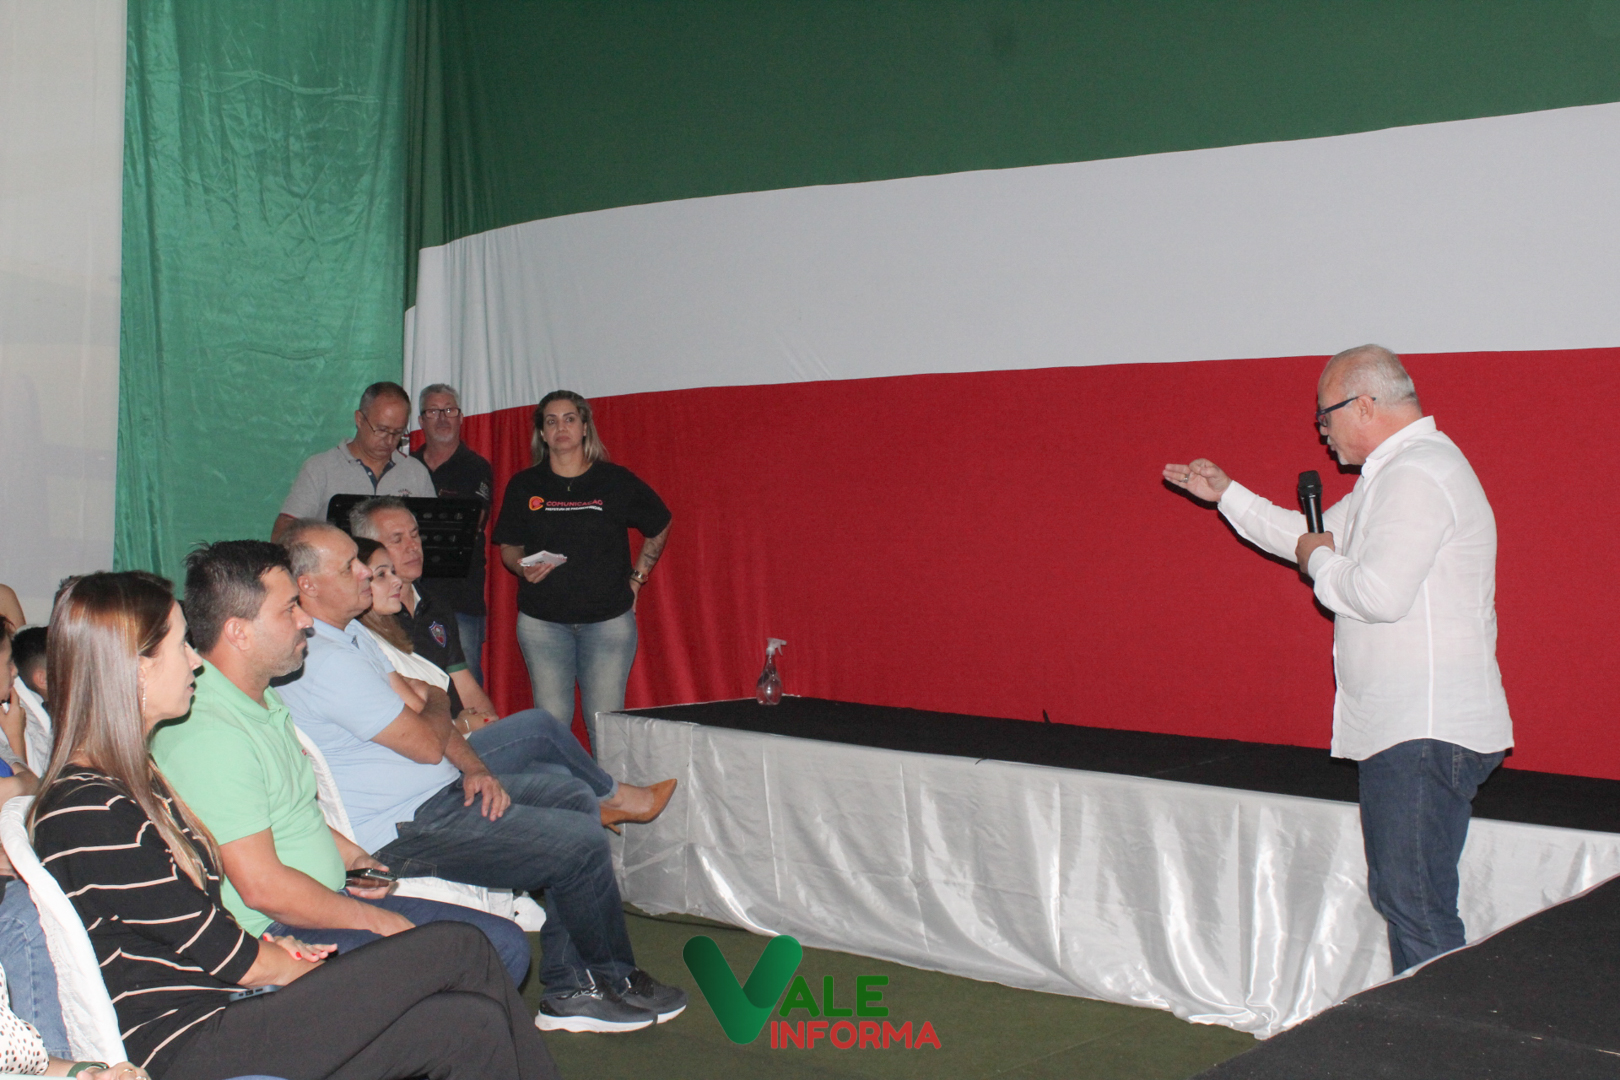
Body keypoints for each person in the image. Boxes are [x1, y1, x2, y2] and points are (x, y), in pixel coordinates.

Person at [30, 571, 558, 1080]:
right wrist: (317, 970)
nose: (194, 660)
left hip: (224, 1004)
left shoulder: (128, 782)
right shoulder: (89, 810)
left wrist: (289, 956)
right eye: (180, 645)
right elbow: (227, 957)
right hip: (190, 1038)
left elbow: (188, 927)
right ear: (136, 669)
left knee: (468, 1025)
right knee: (460, 948)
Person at [1163, 344, 1512, 973]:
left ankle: (1442, 1029)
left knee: (1415, 904)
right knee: (1411, 900)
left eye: (1325, 416)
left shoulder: (1416, 475)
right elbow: (1309, 536)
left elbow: (1375, 594)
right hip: (1416, 728)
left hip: (1422, 728)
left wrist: (1321, 560)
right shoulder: (1399, 473)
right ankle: (1436, 1021)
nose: (1322, 432)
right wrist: (1228, 496)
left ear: (1366, 405)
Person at [272, 521, 686, 1031]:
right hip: (400, 829)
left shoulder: (350, 633)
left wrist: (474, 766)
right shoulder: (322, 660)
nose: (364, 571)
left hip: (439, 793)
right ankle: (610, 978)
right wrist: (434, 703)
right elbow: (428, 733)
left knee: (576, 797)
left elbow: (429, 710)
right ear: (308, 585)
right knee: (577, 840)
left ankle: (572, 986)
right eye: (350, 567)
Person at [149, 541, 532, 985]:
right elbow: (263, 890)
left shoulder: (261, 698)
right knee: (475, 955)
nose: (306, 621)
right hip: (276, 931)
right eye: (289, 608)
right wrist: (377, 921)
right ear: (239, 632)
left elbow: (289, 813)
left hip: (322, 899)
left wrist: (353, 858)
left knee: (500, 944)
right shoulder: (211, 733)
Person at [353, 534, 675, 830]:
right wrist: (461, 724)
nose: (396, 580)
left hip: (455, 740)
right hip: (432, 762)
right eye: (381, 574)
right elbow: (415, 725)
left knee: (563, 779)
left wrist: (481, 721)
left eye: (392, 571)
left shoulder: (408, 622)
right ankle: (617, 797)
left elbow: (447, 692)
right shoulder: (362, 647)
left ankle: (590, 822)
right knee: (539, 725)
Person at [492, 391, 671, 755]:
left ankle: (610, 794)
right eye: (552, 421)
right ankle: (561, 792)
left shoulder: (614, 480)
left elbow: (660, 523)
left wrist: (638, 579)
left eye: (570, 419)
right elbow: (508, 546)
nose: (561, 427)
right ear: (543, 433)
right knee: (552, 723)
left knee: (604, 725)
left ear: (585, 427)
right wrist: (522, 567)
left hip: (608, 624)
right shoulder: (524, 485)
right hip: (543, 624)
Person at [272, 382, 434, 543]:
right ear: (359, 419)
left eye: (398, 432)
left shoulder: (416, 472)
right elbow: (282, 533)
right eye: (382, 430)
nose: (389, 440)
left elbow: (433, 532)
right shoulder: (320, 468)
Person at [412, 384, 495, 685]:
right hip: (410, 595)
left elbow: (470, 525)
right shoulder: (405, 467)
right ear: (421, 421)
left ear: (461, 417)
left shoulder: (476, 467)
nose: (443, 418)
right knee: (415, 679)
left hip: (462, 597)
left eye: (449, 410)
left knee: (465, 679)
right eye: (434, 411)